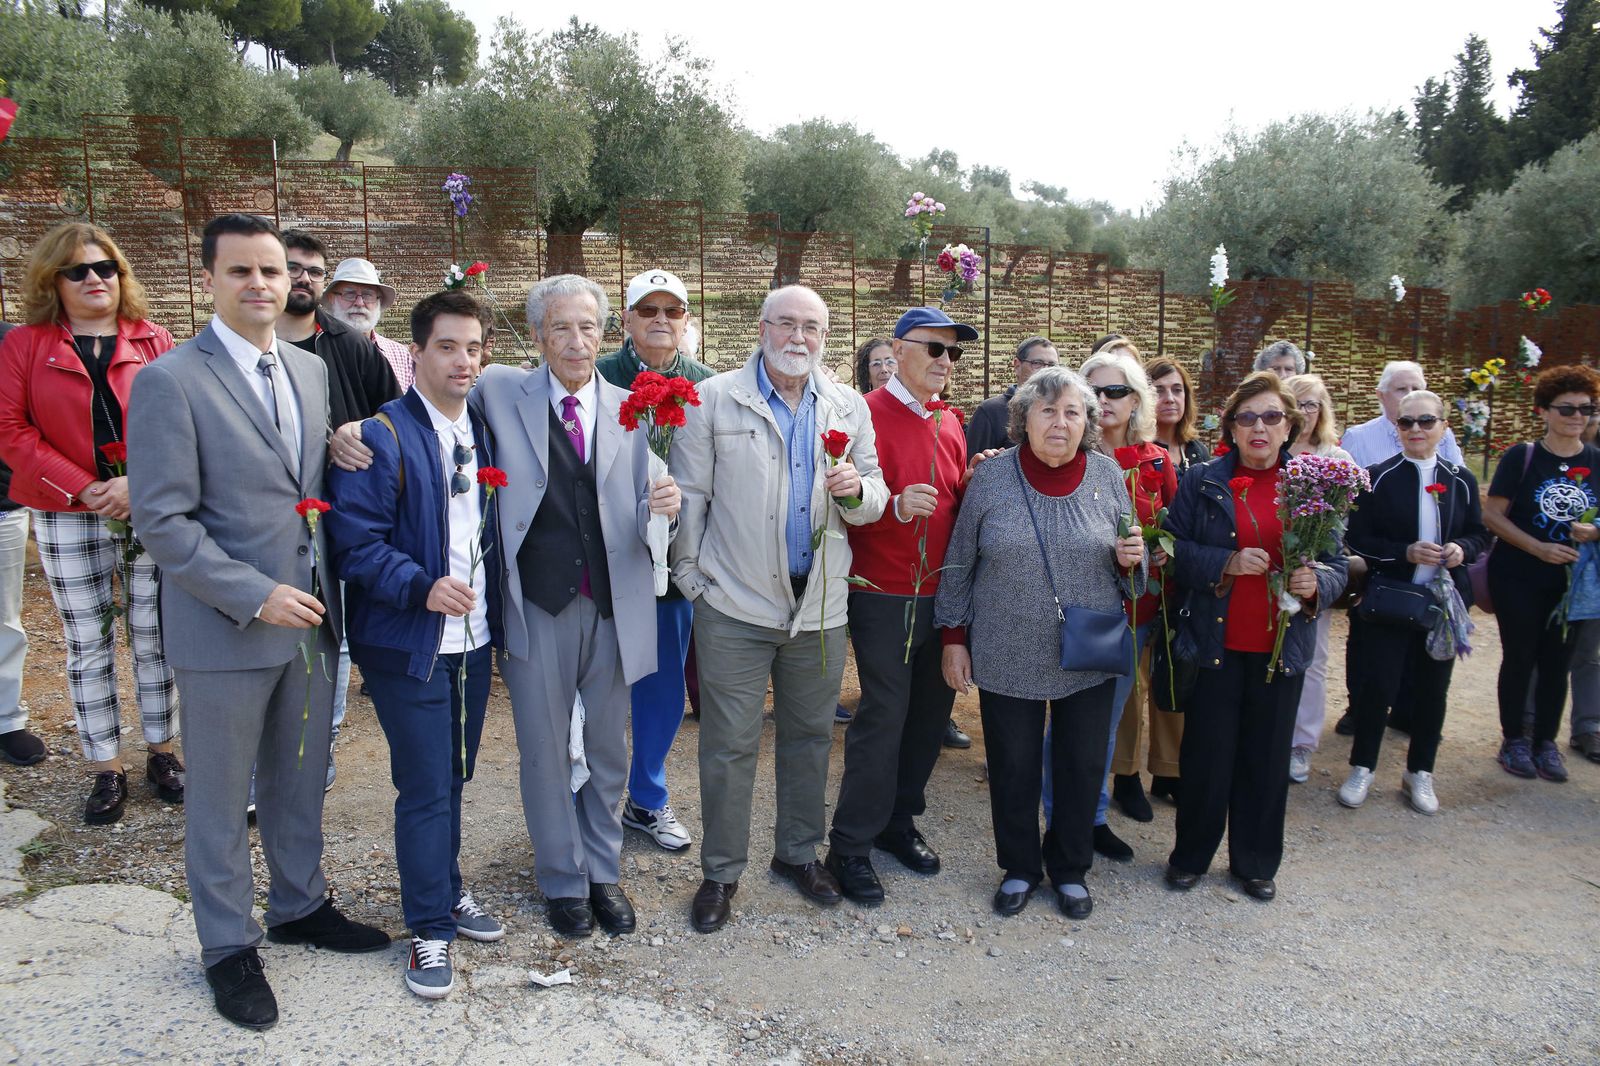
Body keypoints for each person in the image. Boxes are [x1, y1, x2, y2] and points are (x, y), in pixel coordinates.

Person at [127, 214, 388, 1031]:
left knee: (298, 779)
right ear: (210, 279)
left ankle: (299, 905)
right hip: (226, 627)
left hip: (309, 625)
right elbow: (162, 521)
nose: (260, 286)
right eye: (241, 272)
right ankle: (227, 946)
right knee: (219, 794)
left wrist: (341, 444)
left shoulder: (308, 372)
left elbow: (297, 479)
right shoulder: (172, 381)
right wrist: (251, 592)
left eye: (271, 272)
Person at [670, 284, 888, 934]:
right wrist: (691, 578)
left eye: (812, 327)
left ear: (825, 336)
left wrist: (857, 492)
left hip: (819, 609)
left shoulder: (847, 405)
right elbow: (691, 494)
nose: (799, 338)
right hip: (732, 606)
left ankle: (797, 855)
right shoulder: (715, 399)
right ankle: (721, 872)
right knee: (728, 747)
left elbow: (874, 492)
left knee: (810, 739)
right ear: (762, 328)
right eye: (786, 324)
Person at [470, 274, 680, 939]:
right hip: (538, 603)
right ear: (536, 336)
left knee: (606, 748)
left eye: (588, 327)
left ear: (605, 333)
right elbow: (429, 402)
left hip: (614, 604)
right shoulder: (500, 390)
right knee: (543, 749)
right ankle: (561, 880)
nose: (576, 340)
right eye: (560, 327)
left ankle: (601, 871)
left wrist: (666, 512)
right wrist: (359, 426)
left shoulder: (632, 407)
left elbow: (649, 507)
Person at [325, 289, 505, 1000]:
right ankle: (428, 928)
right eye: (447, 346)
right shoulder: (381, 435)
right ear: (416, 353)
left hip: (476, 638)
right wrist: (419, 585)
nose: (463, 361)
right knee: (426, 787)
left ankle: (449, 890)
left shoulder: (482, 430)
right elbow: (353, 544)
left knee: (453, 777)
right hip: (410, 643)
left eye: (473, 347)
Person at [935, 366, 1146, 920]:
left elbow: (1134, 575)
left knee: (1080, 763)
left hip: (1089, 651)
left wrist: (1133, 563)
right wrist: (954, 638)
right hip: (1006, 647)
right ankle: (1021, 867)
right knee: (1014, 765)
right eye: (1047, 410)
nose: (1060, 422)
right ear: (1022, 419)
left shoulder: (1108, 476)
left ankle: (1071, 868)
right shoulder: (993, 478)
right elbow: (958, 563)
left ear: (1089, 423)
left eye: (1072, 412)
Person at [0, 222, 180, 821]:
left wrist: (142, 483)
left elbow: (181, 424)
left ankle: (163, 752)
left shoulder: (154, 340)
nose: (95, 279)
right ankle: (105, 765)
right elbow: (12, 432)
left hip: (146, 504)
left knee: (156, 634)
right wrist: (84, 486)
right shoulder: (24, 345)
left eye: (106, 267)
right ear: (54, 280)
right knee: (87, 642)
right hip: (64, 511)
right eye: (78, 270)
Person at [1163, 371, 1347, 902]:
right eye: (1247, 418)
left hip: (1280, 651)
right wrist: (1227, 562)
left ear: (1290, 426)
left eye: (1271, 417)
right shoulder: (1204, 481)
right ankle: (1190, 856)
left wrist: (1318, 585)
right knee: (1207, 760)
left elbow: (1339, 564)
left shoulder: (1314, 485)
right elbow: (1172, 551)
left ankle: (1256, 862)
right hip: (1217, 646)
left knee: (1266, 763)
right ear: (1232, 428)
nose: (1259, 428)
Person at [825, 306, 982, 904]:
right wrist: (892, 505)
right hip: (883, 590)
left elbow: (949, 498)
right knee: (885, 715)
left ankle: (898, 823)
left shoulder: (951, 421)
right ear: (899, 348)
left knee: (926, 717)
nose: (946, 362)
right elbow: (842, 498)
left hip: (940, 592)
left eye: (953, 353)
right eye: (935, 349)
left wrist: (974, 478)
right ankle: (850, 844)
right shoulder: (862, 412)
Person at [595, 269, 714, 853]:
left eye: (673, 311)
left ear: (686, 320)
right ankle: (587, 799)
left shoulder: (707, 385)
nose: (661, 321)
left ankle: (647, 797)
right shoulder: (598, 375)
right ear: (627, 320)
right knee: (594, 684)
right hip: (602, 558)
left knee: (663, 685)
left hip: (673, 564)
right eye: (648, 311)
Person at [278, 230, 401, 790]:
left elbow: (395, 419)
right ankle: (267, 756)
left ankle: (316, 750)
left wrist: (358, 430)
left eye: (312, 270)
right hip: (269, 522)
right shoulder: (245, 345)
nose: (303, 277)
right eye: (292, 267)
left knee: (332, 634)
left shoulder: (353, 348)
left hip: (338, 519)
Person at [1339, 390, 1489, 814]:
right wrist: (1403, 552)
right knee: (1377, 686)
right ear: (1396, 428)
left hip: (1441, 604)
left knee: (1431, 691)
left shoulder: (1460, 479)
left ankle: (1419, 771)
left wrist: (1461, 548)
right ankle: (1363, 765)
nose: (1416, 430)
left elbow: (1480, 534)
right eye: (1406, 423)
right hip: (1391, 601)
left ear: (1443, 427)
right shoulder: (1377, 476)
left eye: (1426, 421)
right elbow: (1360, 540)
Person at [1078, 345, 1180, 854]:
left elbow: (1174, 531)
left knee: (1108, 719)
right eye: (1094, 390)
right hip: (1078, 613)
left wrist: (1162, 553)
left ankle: (1092, 818)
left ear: (1136, 400)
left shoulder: (1156, 461)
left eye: (1116, 390)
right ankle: (1072, 817)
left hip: (1135, 614)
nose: (1105, 399)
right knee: (1073, 723)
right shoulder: (1070, 457)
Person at [1333, 360, 1465, 739]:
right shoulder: (1359, 437)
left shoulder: (1445, 439)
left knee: (1422, 633)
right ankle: (1361, 707)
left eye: (1416, 388)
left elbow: (1456, 488)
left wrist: (1454, 544)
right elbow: (1352, 502)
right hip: (1381, 560)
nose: (1409, 399)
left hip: (1433, 562)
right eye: (1401, 390)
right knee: (1369, 637)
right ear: (1382, 396)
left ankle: (1407, 710)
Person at [1482, 364, 1600, 784]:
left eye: (1586, 409)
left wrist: (1594, 531)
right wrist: (1537, 547)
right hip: (1518, 574)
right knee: (1521, 655)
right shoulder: (1523, 457)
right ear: (1544, 411)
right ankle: (1515, 739)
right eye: (1566, 408)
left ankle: (1545, 742)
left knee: (1559, 660)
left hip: (1571, 583)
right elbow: (1492, 515)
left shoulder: (1597, 461)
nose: (1577, 417)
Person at [1284, 374, 1354, 784]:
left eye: (1312, 404)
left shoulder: (1337, 459)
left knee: (1312, 657)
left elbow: (1338, 526)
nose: (1305, 412)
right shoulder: (1271, 449)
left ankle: (1301, 743)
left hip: (1312, 569)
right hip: (1270, 566)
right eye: (1297, 404)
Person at [0, 321, 41, 767]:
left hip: (1, 506)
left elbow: (21, 425)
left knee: (3, 619)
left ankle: (6, 719)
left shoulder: (11, 343)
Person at [323, 257, 412, 391]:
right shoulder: (317, 351)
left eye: (368, 295)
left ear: (378, 301)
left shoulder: (402, 355)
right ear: (332, 298)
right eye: (349, 294)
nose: (359, 303)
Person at [965, 337, 1059, 458]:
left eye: (1052, 365)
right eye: (1037, 363)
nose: (1045, 371)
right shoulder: (990, 411)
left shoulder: (1062, 414)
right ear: (1017, 365)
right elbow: (971, 466)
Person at [1147, 356, 1210, 474]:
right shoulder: (1135, 450)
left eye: (1177, 390)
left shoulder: (1198, 451)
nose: (1170, 399)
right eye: (1159, 391)